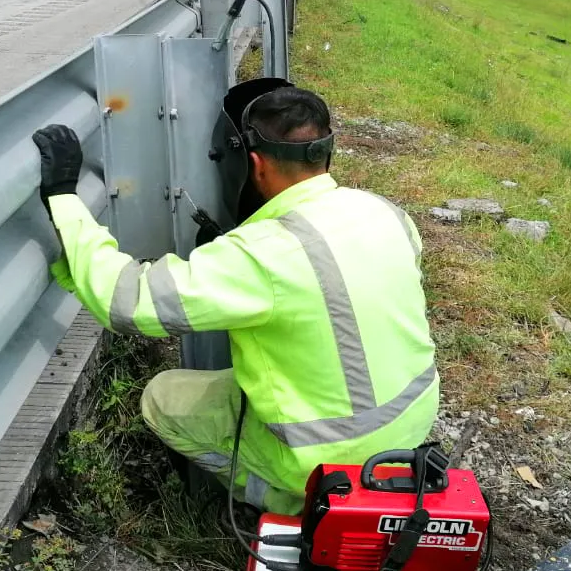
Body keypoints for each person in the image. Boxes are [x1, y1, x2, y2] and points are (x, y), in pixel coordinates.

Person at [32, 81, 436, 515]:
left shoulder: (261, 255)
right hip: (407, 432)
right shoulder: (385, 212)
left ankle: (292, 503)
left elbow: (127, 302)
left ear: (256, 165)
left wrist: (64, 201)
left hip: (323, 459)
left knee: (163, 398)